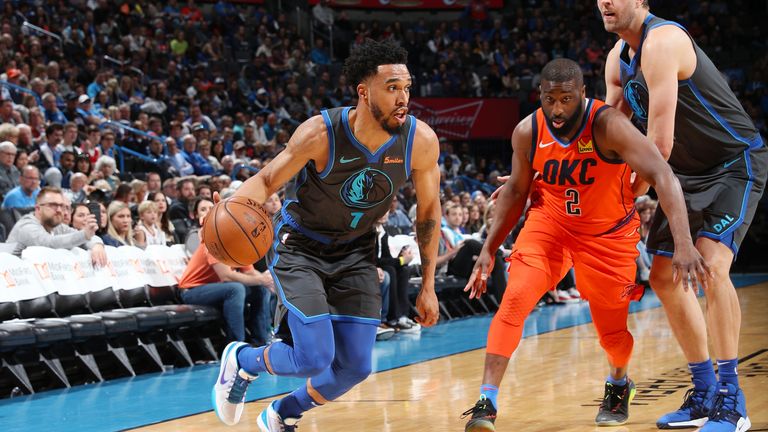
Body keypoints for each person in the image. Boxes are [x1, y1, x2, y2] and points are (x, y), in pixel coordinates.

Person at [461, 59, 709, 431]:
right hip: (550, 227)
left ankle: (619, 383)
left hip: (608, 237)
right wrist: (489, 248)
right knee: (514, 299)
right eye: (549, 99)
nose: (557, 109)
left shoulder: (609, 125)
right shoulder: (528, 130)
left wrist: (684, 243)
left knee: (611, 335)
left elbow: (663, 174)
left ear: (582, 93)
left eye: (566, 99)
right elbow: (515, 190)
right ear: (539, 95)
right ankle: (487, 400)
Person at [212, 39, 442, 430]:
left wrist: (429, 285)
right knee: (314, 358)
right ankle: (242, 360)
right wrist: (231, 205)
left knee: (355, 367)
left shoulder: (420, 142)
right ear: (363, 92)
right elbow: (266, 180)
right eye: (392, 88)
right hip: (300, 246)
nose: (403, 98)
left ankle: (282, 413)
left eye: (406, 87)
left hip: (356, 251)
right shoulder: (320, 133)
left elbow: (429, 214)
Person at [600, 1, 768, 430]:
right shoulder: (617, 58)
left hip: (732, 164)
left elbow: (659, 145)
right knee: (662, 277)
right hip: (683, 175)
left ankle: (732, 399)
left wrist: (622, 198)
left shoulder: (663, 41)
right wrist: (546, 174)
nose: (604, 1)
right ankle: (705, 391)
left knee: (711, 265)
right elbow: (604, 135)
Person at [7, 187, 107, 267]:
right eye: (53, 205)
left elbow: (84, 236)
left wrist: (96, 245)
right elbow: (48, 243)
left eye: (62, 206)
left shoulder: (57, 226)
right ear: (38, 208)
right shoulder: (26, 226)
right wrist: (85, 235)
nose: (59, 210)